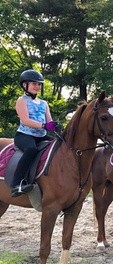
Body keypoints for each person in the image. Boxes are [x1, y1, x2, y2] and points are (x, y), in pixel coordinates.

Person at [11, 69, 60, 197]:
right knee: (31, 149)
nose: (37, 86)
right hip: (24, 135)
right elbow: (25, 120)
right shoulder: (22, 101)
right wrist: (44, 125)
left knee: (59, 145)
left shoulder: (44, 103)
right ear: (24, 85)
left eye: (39, 84)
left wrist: (55, 126)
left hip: (41, 135)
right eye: (34, 84)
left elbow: (49, 121)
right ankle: (17, 184)